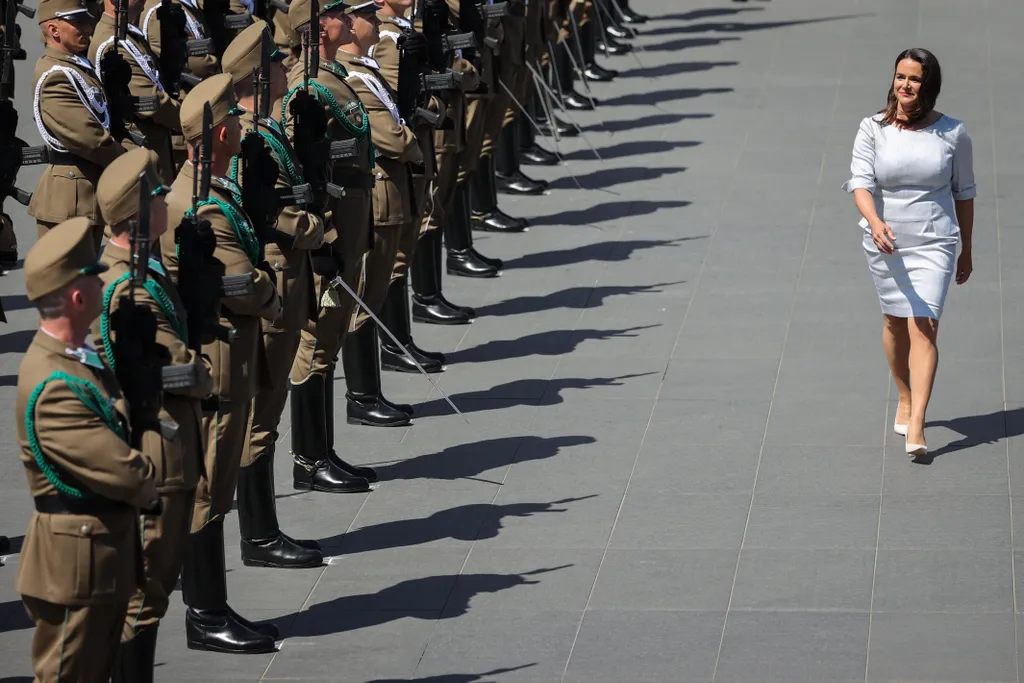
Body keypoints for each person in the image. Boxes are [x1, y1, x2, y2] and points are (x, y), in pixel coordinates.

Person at [161, 73, 282, 654]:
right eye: (230, 118)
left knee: (220, 475)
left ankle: (213, 603)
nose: (238, 124)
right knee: (208, 482)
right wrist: (270, 288)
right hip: (217, 356)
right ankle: (204, 613)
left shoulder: (216, 189)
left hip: (231, 352)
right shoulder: (197, 206)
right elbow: (241, 285)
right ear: (210, 136)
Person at [16, 217, 160, 683]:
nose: (104, 281)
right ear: (78, 298)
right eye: (95, 277)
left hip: (96, 560)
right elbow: (131, 475)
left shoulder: (77, 356)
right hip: (75, 569)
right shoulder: (55, 385)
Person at [92, 148, 212, 681]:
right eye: (159, 193)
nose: (168, 199)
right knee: (147, 593)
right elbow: (180, 369)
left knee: (150, 591)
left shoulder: (140, 271)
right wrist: (205, 368)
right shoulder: (132, 289)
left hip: (161, 442)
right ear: (139, 214)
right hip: (159, 452)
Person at [221, 19, 324, 568]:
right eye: (278, 63)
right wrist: (308, 227)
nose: (288, 65)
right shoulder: (250, 138)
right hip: (275, 270)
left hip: (291, 271)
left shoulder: (267, 127)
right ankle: (258, 536)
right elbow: (257, 209)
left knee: (273, 399)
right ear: (257, 79)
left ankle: (263, 528)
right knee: (263, 409)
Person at [843, 47, 976, 459]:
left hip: (935, 239)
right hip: (887, 239)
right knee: (893, 321)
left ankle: (917, 421)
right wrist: (876, 221)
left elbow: (965, 194)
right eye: (900, 76)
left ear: (928, 85)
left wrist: (966, 250)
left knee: (925, 325)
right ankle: (903, 394)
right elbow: (860, 183)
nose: (905, 85)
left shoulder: (954, 133)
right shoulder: (872, 128)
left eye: (914, 78)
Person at [282, 0, 378, 489]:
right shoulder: (306, 85)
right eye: (339, 9)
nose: (347, 15)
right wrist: (324, 237)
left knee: (333, 336)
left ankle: (324, 450)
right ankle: (308, 461)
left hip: (351, 221)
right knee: (316, 341)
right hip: (333, 228)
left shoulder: (332, 75)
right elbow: (304, 171)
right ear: (320, 26)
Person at [336, 0, 421, 425]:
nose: (371, 22)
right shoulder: (354, 77)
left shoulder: (365, 71)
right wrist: (413, 141)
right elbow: (392, 137)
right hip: (377, 197)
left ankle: (370, 391)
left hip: (389, 193)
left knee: (376, 289)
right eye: (366, 17)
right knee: (365, 294)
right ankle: (361, 395)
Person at [29, 0, 126, 244]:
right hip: (69, 200)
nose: (88, 28)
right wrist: (129, 161)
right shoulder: (55, 76)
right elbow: (90, 138)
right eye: (78, 23)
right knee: (70, 280)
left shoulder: (75, 66)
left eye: (87, 21)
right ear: (54, 30)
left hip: (84, 194)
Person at [89, 0, 182, 181]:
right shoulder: (112, 42)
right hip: (141, 155)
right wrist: (193, 119)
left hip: (155, 149)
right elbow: (151, 102)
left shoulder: (128, 35)